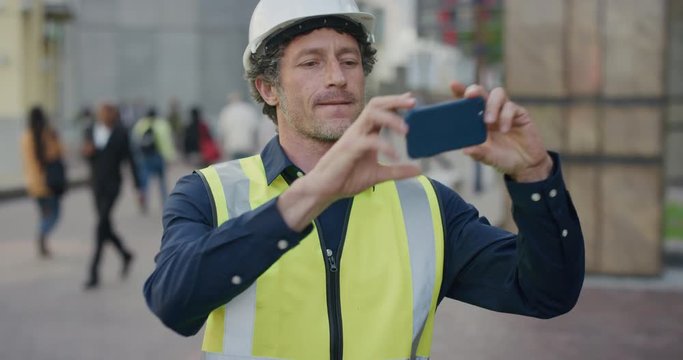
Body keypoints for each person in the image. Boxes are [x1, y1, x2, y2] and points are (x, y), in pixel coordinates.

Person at [144, 1, 585, 359]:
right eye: (311, 63)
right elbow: (173, 302)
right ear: (267, 89)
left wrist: (533, 175)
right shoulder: (207, 193)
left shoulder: (428, 205)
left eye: (349, 60)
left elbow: (546, 293)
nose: (337, 78)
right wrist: (316, 192)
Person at [82, 103, 141, 290]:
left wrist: (138, 187)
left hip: (113, 185)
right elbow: (87, 155)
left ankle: (93, 272)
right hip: (96, 184)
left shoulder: (121, 133)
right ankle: (125, 254)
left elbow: (130, 160)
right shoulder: (90, 130)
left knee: (100, 225)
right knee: (104, 224)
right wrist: (87, 153)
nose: (106, 116)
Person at [20, 106, 65, 258]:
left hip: (32, 183)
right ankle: (42, 234)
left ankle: (43, 239)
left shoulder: (25, 137)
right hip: (48, 183)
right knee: (54, 214)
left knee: (45, 214)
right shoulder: (47, 135)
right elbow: (57, 153)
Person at [132, 107, 177, 210]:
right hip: (159, 156)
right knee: (162, 181)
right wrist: (170, 157)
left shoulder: (140, 124)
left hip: (145, 157)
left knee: (145, 181)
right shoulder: (162, 125)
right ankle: (165, 202)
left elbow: (134, 142)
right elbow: (167, 142)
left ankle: (143, 198)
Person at [218, 92, 261, 159]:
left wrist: (222, 149)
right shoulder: (249, 110)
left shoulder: (226, 111)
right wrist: (256, 145)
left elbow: (222, 132)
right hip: (247, 146)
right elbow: (255, 130)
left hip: (232, 147)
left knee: (235, 167)